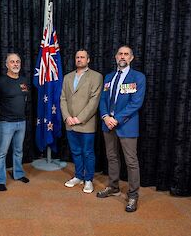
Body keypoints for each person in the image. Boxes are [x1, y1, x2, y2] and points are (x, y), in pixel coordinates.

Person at [97, 45, 146, 212]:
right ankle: (113, 187)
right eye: (120, 54)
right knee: (112, 157)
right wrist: (105, 117)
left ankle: (133, 195)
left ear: (131, 58)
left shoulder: (138, 77)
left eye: (126, 54)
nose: (122, 56)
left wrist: (115, 119)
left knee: (131, 162)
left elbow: (136, 103)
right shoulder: (109, 77)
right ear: (116, 57)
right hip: (107, 123)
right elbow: (103, 100)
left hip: (126, 125)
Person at [60, 49, 103, 193]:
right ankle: (78, 176)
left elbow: (94, 100)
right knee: (76, 151)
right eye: (77, 57)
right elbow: (63, 99)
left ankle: (88, 179)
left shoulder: (96, 77)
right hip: (70, 123)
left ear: (88, 60)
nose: (79, 59)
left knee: (88, 152)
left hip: (86, 123)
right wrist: (67, 117)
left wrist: (79, 118)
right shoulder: (67, 77)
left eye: (82, 57)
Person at [0, 53, 30, 192]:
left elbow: (24, 99)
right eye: (12, 62)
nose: (15, 64)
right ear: (6, 64)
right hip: (6, 123)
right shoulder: (1, 81)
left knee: (19, 151)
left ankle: (18, 174)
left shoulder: (24, 80)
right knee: (2, 152)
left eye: (17, 61)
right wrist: (1, 116)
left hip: (22, 122)